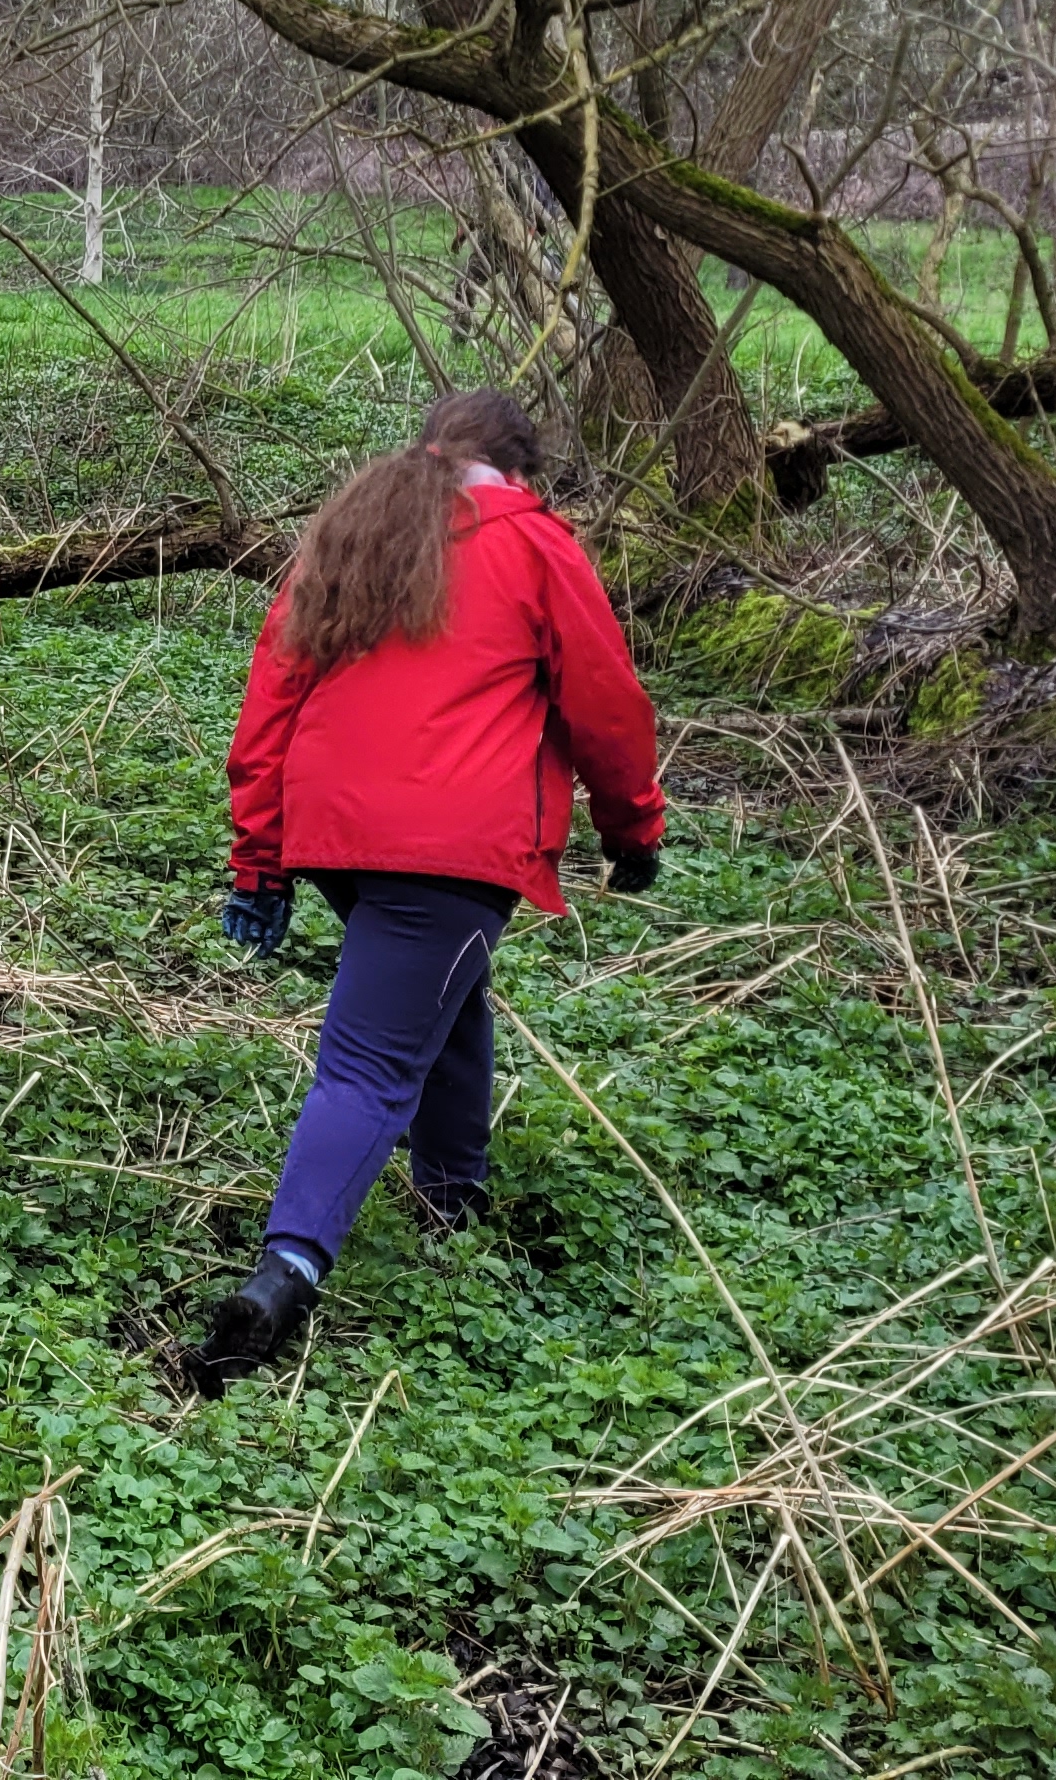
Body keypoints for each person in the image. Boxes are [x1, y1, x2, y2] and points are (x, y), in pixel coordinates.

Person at [194, 389, 664, 1394]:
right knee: (370, 1064)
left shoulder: (355, 530)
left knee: (446, 998)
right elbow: (608, 703)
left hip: (336, 829)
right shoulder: (534, 542)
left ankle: (454, 1198)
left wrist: (261, 857)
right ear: (519, 470)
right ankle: (285, 1271)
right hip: (450, 842)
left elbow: (271, 697)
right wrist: (634, 830)